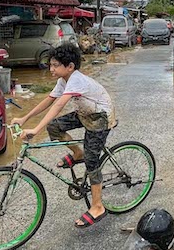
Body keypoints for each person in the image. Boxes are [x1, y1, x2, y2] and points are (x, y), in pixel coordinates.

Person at [12, 42, 115, 228]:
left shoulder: (76, 79)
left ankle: (98, 206)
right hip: (84, 113)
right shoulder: (63, 80)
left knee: (92, 160)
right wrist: (24, 118)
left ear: (70, 67)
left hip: (100, 117)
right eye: (50, 65)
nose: (51, 69)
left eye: (55, 65)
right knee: (54, 126)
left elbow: (59, 105)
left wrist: (35, 130)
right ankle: (77, 153)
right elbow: (49, 100)